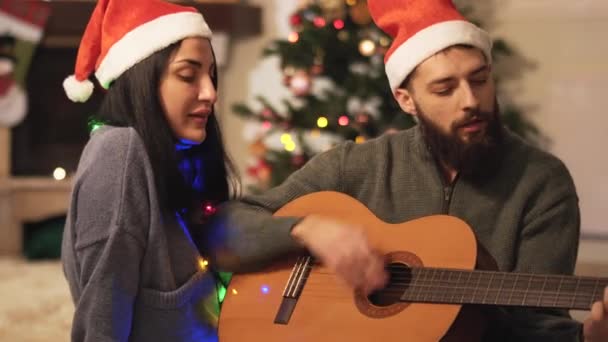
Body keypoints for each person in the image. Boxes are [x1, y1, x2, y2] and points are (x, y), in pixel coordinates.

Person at [206, 0, 608, 340]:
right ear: (406, 100)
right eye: (444, 89)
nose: (470, 100)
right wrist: (304, 229)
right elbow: (223, 227)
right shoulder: (358, 165)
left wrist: (590, 335)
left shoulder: (541, 182)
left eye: (480, 80)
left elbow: (539, 329)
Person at [61, 0, 242, 340]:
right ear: (142, 78)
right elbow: (102, 312)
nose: (211, 93)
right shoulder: (119, 152)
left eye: (212, 75)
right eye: (188, 75)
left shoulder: (179, 157)